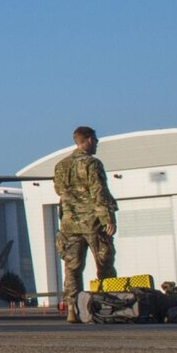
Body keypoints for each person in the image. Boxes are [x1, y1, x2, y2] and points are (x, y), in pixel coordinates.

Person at [52, 126, 117, 322]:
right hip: (92, 222)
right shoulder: (92, 164)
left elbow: (59, 190)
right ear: (87, 140)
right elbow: (99, 192)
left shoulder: (61, 165)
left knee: (72, 267)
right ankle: (108, 303)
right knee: (104, 262)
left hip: (69, 224)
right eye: (95, 140)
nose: (97, 143)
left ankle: (73, 308)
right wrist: (107, 219)